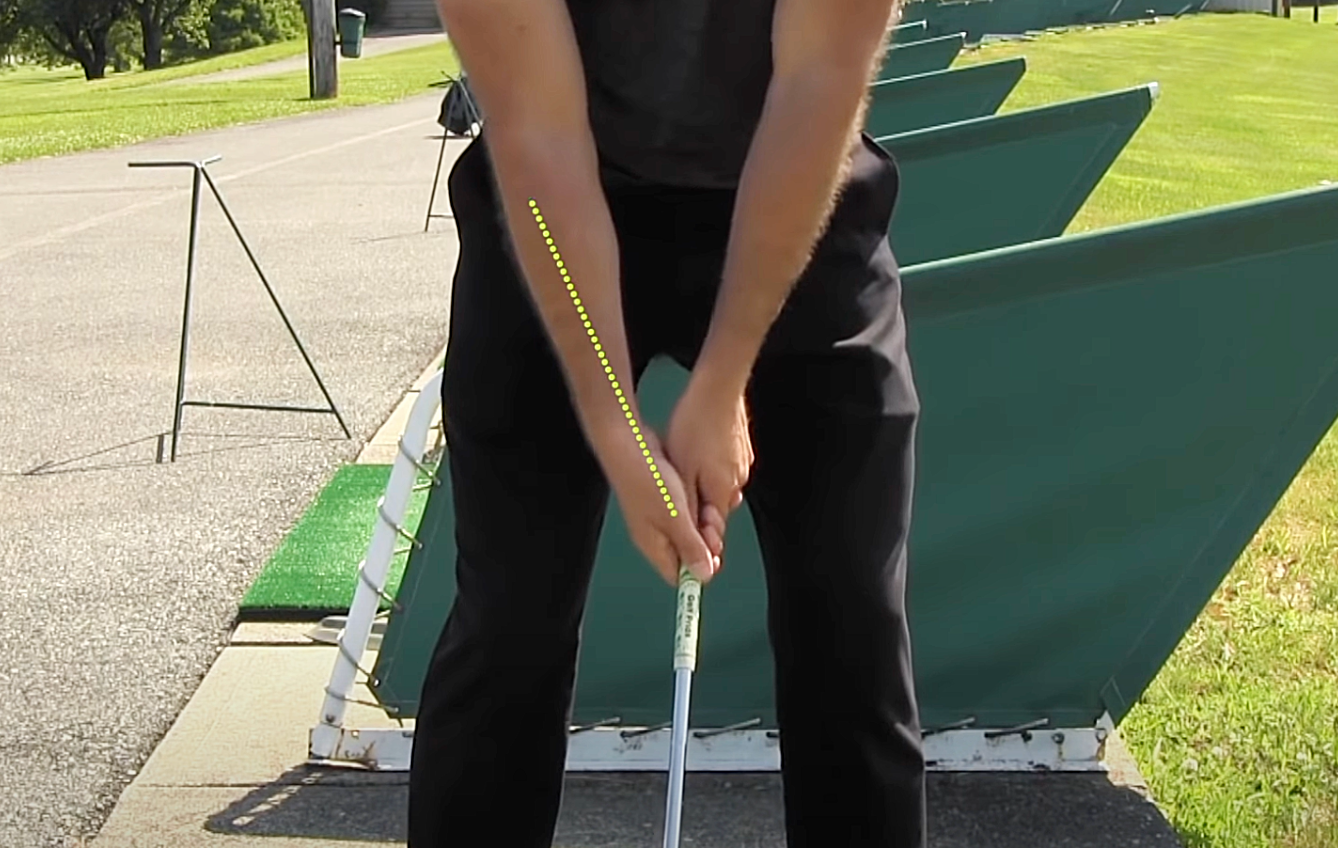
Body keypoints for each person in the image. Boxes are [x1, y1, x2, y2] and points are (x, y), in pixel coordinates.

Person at [408, 0, 925, 845]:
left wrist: (723, 385)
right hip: (557, 194)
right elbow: (536, 127)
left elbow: (820, 82)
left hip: (796, 177)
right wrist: (614, 425)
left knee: (851, 623)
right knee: (510, 621)